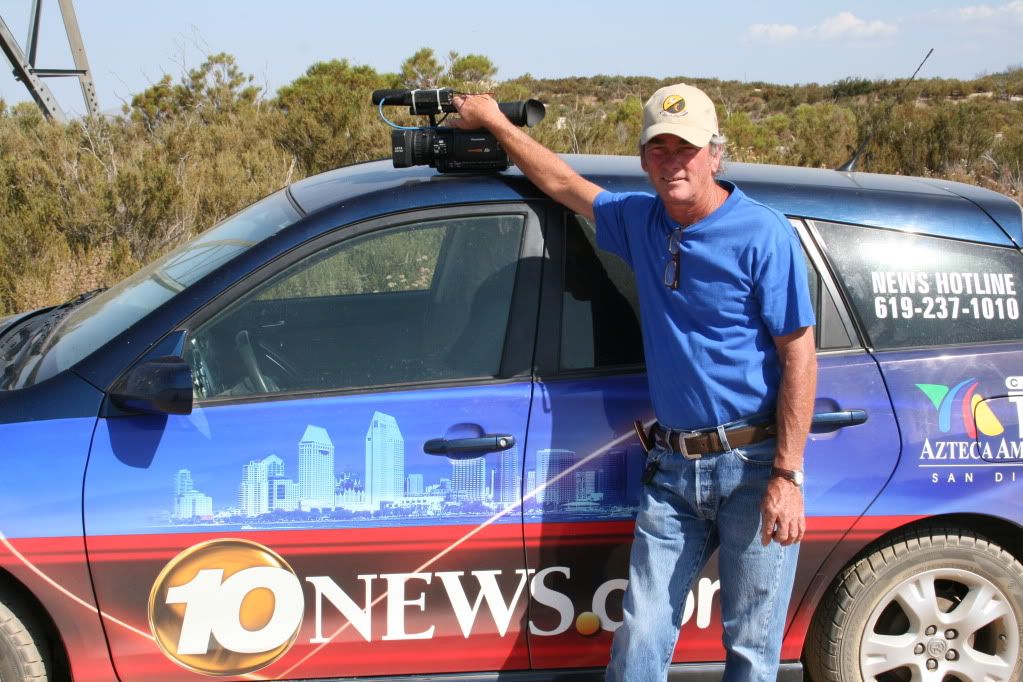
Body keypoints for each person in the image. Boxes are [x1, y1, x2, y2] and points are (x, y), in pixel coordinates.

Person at [453, 82, 817, 681]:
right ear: (644, 158)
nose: (673, 162)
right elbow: (563, 183)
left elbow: (800, 354)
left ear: (715, 155)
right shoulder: (641, 220)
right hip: (674, 469)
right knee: (641, 633)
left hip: (754, 465)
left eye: (687, 149)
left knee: (752, 646)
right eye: (659, 149)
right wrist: (493, 120)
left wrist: (787, 474)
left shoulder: (762, 234)